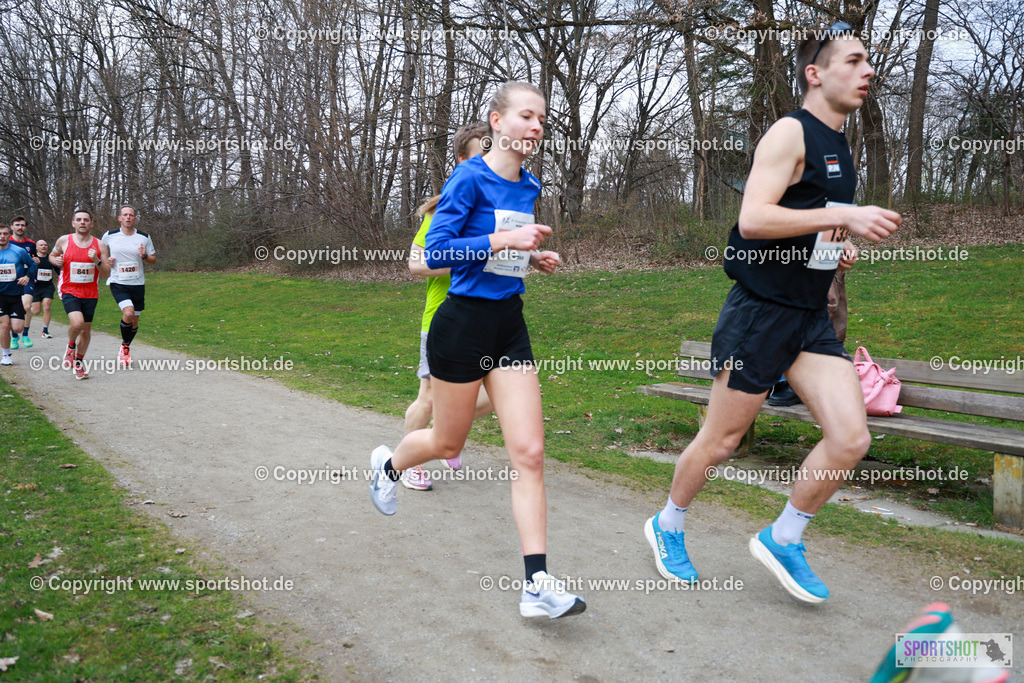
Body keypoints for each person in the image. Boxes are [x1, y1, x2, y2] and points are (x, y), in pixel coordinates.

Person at [644, 22, 901, 603]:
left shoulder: (839, 144)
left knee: (850, 436)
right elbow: (754, 219)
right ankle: (668, 524)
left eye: (870, 63)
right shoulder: (790, 132)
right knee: (722, 440)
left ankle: (785, 536)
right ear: (816, 74)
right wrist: (849, 215)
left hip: (809, 316)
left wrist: (838, 244)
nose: (868, 72)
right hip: (760, 313)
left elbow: (808, 213)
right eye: (855, 61)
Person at [368, 81, 585, 619]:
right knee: (446, 442)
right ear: (496, 121)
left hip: (508, 324)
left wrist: (531, 257)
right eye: (526, 117)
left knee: (530, 453)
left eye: (541, 120)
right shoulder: (467, 177)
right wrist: (503, 241)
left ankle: (536, 585)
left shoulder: (529, 184)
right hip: (460, 324)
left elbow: (502, 252)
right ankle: (389, 466)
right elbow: (435, 252)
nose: (536, 128)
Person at [402, 121, 494, 491]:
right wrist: (469, 256)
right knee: (427, 396)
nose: (491, 159)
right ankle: (408, 461)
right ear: (462, 160)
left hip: (488, 319)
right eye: (482, 152)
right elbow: (415, 264)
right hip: (444, 318)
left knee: (503, 394)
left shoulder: (498, 206)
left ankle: (446, 436)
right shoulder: (444, 208)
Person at [48, 210, 111, 380]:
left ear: (91, 224)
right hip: (69, 289)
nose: (82, 222)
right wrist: (56, 261)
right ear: (73, 223)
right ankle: (70, 346)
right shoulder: (64, 241)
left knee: (86, 329)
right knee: (78, 323)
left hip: (90, 292)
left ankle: (79, 362)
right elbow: (52, 256)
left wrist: (97, 260)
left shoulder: (100, 245)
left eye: (86, 220)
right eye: (79, 220)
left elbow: (106, 273)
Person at [101, 205, 156, 367]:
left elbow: (153, 259)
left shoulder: (144, 237)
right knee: (129, 312)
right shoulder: (109, 236)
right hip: (118, 282)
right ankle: (125, 346)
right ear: (119, 218)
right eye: (125, 215)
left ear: (135, 219)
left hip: (137, 283)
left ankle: (125, 346)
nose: (128, 218)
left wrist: (145, 256)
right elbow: (99, 255)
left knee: (135, 320)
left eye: (131, 215)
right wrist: (106, 261)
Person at [0, 223, 38, 366]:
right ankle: (6, 355)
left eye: (4, 233)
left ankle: (9, 333)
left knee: (17, 328)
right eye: (0, 234)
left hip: (15, 294)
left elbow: (33, 266)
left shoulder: (18, 251)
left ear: (9, 235)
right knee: (4, 325)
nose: (2, 236)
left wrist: (27, 277)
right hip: (0, 296)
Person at [8, 216, 37, 349]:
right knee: (9, 310)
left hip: (26, 279)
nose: (20, 227)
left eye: (22, 225)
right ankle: (14, 336)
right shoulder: (5, 242)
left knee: (26, 306)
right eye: (17, 225)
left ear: (25, 227)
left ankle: (25, 334)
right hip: (9, 280)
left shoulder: (31, 244)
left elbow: (33, 262)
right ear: (11, 227)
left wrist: (35, 264)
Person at [30, 239, 57, 338]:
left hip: (48, 287)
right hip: (35, 288)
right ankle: (27, 306)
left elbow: (59, 270)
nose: (44, 246)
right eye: (41, 245)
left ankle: (45, 331)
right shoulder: (32, 258)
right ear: (37, 247)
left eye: (45, 245)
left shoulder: (51, 258)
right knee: (36, 311)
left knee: (46, 306)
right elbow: (26, 270)